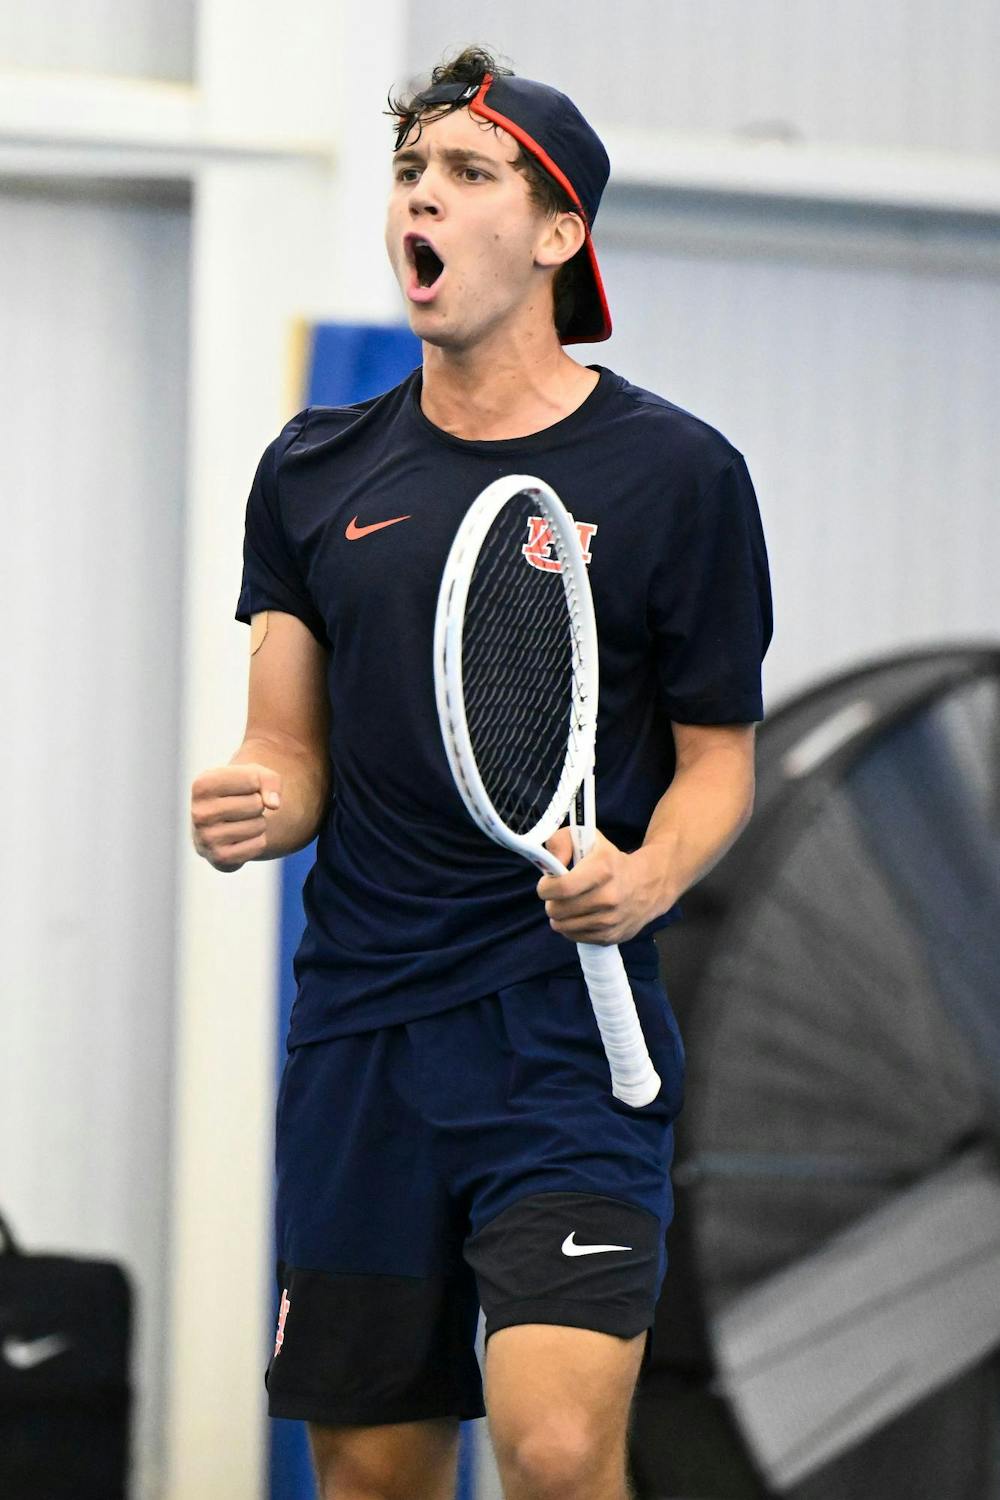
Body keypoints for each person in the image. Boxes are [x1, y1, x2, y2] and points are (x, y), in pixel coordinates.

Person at [190, 45, 772, 1500]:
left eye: (465, 174)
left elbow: (719, 767)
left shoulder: (676, 476)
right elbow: (289, 745)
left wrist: (645, 878)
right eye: (406, 174)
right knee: (376, 1475)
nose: (418, 204)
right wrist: (266, 794)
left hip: (565, 1043)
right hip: (363, 1039)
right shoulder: (315, 472)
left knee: (558, 1451)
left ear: (560, 232)